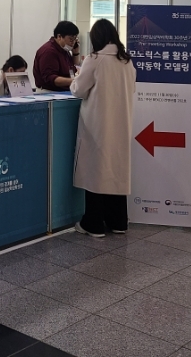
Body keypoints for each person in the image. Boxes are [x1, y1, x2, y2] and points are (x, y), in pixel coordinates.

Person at [69, 19, 136, 237]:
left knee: (95, 172)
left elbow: (78, 90)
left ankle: (93, 223)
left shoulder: (95, 59)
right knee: (116, 171)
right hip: (122, 123)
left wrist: (74, 79)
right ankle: (118, 222)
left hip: (98, 124)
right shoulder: (126, 61)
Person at [33, 21, 81, 92]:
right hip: (49, 92)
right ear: (59, 37)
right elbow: (50, 78)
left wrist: (75, 53)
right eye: (71, 39)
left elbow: (75, 67)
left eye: (75, 39)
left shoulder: (64, 50)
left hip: (63, 91)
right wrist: (75, 81)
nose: (73, 42)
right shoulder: (49, 51)